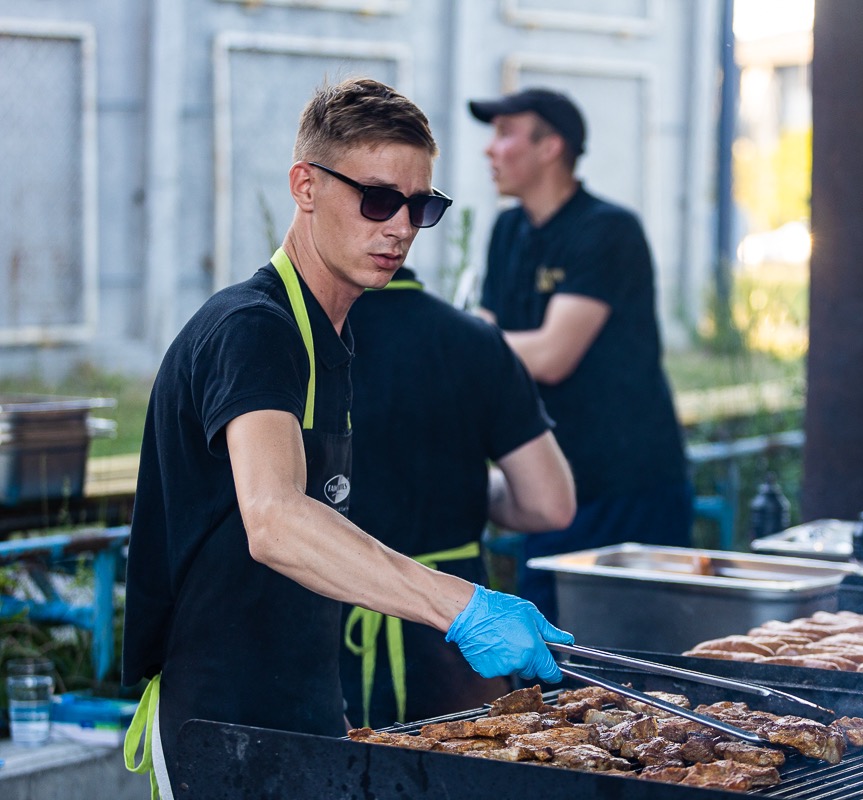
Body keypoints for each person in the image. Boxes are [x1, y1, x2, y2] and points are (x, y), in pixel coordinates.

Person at [121, 78, 573, 797]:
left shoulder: (331, 337)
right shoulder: (254, 330)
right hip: (223, 729)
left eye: (420, 207)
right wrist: (462, 605)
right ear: (305, 185)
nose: (399, 226)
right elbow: (274, 520)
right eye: (377, 199)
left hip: (303, 708)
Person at [468, 87, 693, 624]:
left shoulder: (606, 230)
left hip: (625, 484)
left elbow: (550, 355)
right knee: (547, 663)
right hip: (549, 484)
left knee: (627, 666)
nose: (489, 150)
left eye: (504, 133)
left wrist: (459, 343)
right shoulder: (508, 230)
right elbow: (489, 340)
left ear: (551, 147)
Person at [340, 261, 575, 728]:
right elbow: (549, 501)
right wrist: (469, 486)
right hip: (459, 644)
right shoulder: (475, 340)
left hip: (327, 640)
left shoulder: (295, 340)